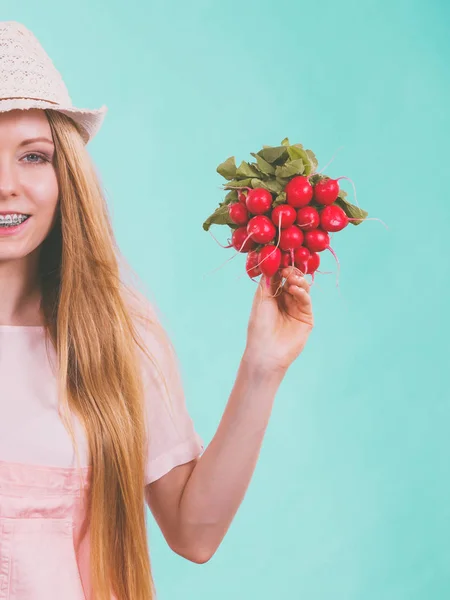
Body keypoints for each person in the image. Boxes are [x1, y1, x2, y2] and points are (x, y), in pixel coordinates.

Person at [0, 20, 314, 600]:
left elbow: (194, 533)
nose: (6, 185)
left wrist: (262, 366)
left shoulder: (114, 335)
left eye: (34, 156)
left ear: (66, 173)